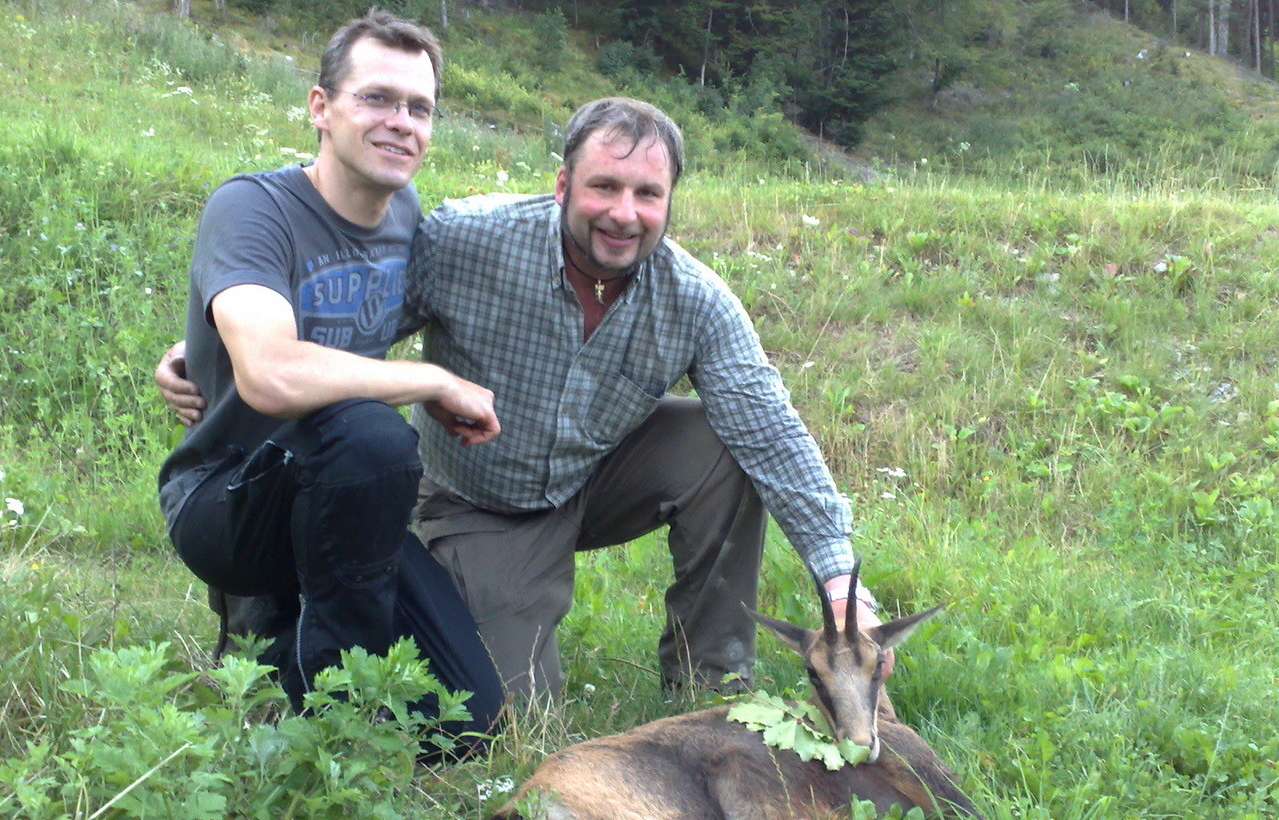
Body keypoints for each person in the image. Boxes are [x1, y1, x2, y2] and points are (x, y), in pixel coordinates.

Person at [161, 96, 883, 703]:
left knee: (727, 444)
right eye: (604, 187)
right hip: (480, 499)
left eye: (648, 195)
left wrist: (838, 576)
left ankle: (710, 691)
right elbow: (357, 325)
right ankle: (339, 607)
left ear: (670, 202)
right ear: (564, 184)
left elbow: (773, 431)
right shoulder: (465, 241)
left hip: (595, 472)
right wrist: (220, 350)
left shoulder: (695, 300)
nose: (624, 214)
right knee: (507, 710)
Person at [155, 9, 503, 746]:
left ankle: (300, 632)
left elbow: (332, 317)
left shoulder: (404, 213)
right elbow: (273, 374)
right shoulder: (253, 206)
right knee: (375, 435)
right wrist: (429, 380)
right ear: (320, 108)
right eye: (375, 98)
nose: (400, 122)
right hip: (224, 496)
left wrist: (196, 343)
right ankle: (331, 731)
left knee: (469, 719)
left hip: (342, 494)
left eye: (419, 108)